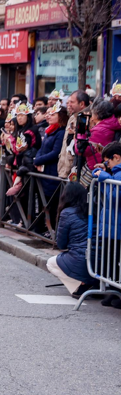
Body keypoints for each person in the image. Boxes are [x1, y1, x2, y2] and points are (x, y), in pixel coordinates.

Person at [46, 182, 96, 298]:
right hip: (102, 260)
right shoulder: (94, 209)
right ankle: (87, 283)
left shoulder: (67, 212)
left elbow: (61, 244)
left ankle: (80, 285)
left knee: (50, 263)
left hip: (81, 257)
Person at [92, 142, 121, 308]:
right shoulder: (115, 172)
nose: (106, 165)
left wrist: (107, 178)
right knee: (111, 259)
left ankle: (116, 291)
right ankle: (111, 290)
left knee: (115, 259)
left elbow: (115, 198)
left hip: (116, 225)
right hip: (111, 224)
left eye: (107, 161)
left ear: (116, 157)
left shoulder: (117, 175)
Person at [76, 100, 120, 179]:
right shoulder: (108, 125)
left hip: (96, 166)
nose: (91, 118)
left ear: (97, 114)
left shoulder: (100, 130)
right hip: (105, 164)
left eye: (92, 113)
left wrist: (80, 135)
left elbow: (82, 150)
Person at [58, 90, 90, 179]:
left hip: (76, 168)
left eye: (72, 102)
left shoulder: (87, 118)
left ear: (82, 104)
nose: (68, 105)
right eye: (68, 102)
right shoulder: (73, 117)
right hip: (65, 167)